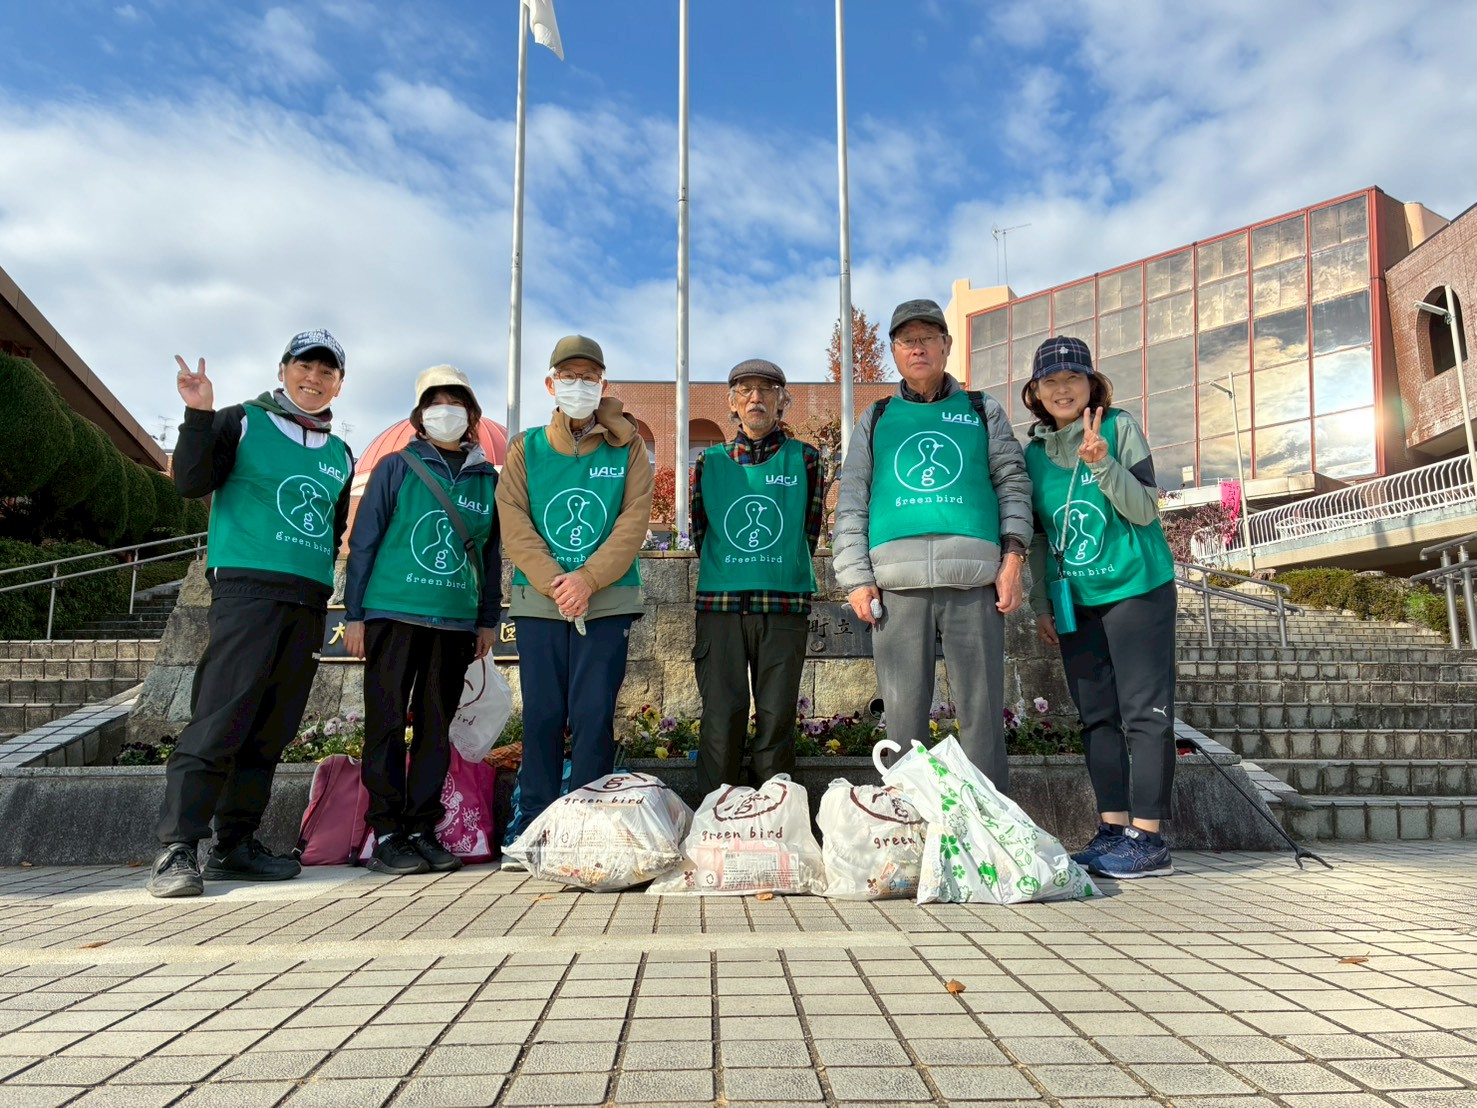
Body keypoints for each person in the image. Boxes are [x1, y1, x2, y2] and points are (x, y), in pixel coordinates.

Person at [150, 330, 353, 898]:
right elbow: (191, 482)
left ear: (340, 382)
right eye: (304, 367)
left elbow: (333, 528)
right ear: (284, 369)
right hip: (246, 590)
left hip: (307, 599)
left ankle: (235, 845)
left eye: (327, 372)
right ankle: (176, 848)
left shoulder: (340, 453)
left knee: (270, 728)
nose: (314, 379)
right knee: (220, 718)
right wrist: (197, 414)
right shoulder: (240, 421)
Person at [833, 299, 1032, 788]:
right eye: (906, 340)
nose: (917, 348)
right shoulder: (876, 417)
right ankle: (907, 825)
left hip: (974, 582)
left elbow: (1013, 483)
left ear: (946, 346)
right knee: (902, 724)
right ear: (895, 352)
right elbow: (852, 497)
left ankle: (990, 836)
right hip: (897, 587)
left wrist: (1012, 561)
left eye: (927, 338)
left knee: (983, 718)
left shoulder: (981, 408)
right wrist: (856, 578)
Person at [1023, 336, 1178, 879]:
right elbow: (1041, 537)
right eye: (1050, 381)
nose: (1062, 388)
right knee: (1096, 719)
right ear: (1036, 393)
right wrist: (1042, 603)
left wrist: (1104, 465)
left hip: (1136, 589)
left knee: (1144, 715)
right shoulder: (1033, 454)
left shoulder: (1119, 428)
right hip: (1077, 600)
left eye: (1073, 378)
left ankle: (1149, 838)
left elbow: (1143, 512)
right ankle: (1112, 828)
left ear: (1092, 384)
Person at [343, 365, 501, 876]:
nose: (446, 411)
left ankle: (422, 827)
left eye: (456, 402)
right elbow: (363, 542)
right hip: (393, 614)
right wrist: (355, 615)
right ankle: (387, 828)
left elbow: (491, 553)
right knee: (386, 722)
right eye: (436, 402)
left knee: (437, 727)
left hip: (454, 622)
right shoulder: (396, 467)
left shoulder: (486, 478)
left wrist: (486, 619)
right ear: (420, 413)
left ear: (471, 414)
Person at [495, 335, 653, 837]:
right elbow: (514, 521)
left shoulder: (629, 449)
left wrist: (586, 580)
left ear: (602, 383)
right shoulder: (526, 447)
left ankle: (589, 825)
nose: (579, 385)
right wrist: (556, 582)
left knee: (592, 715)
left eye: (589, 377)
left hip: (607, 603)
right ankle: (534, 823)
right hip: (540, 603)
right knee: (542, 715)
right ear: (550, 383)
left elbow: (633, 521)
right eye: (569, 376)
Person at [690, 358, 824, 797]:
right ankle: (713, 815)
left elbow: (810, 527)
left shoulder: (806, 459)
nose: (755, 398)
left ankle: (775, 815)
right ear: (731, 402)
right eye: (745, 390)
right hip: (721, 607)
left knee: (777, 716)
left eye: (766, 390)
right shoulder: (707, 463)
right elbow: (701, 532)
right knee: (720, 717)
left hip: (784, 605)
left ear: (782, 401)